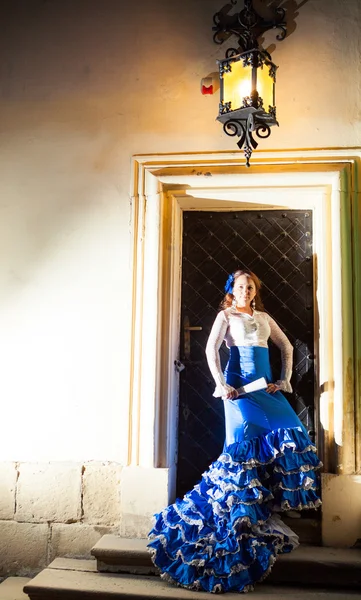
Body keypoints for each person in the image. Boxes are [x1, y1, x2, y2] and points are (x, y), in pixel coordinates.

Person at [148, 269, 322, 593]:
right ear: (233, 290)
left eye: (250, 286)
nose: (245, 290)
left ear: (255, 291)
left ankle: (265, 510)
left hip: (265, 390)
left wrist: (283, 380)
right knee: (241, 453)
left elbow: (286, 347)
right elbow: (210, 350)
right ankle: (234, 524)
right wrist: (221, 384)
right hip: (238, 391)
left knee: (292, 432)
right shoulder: (225, 315)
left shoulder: (265, 317)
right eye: (240, 286)